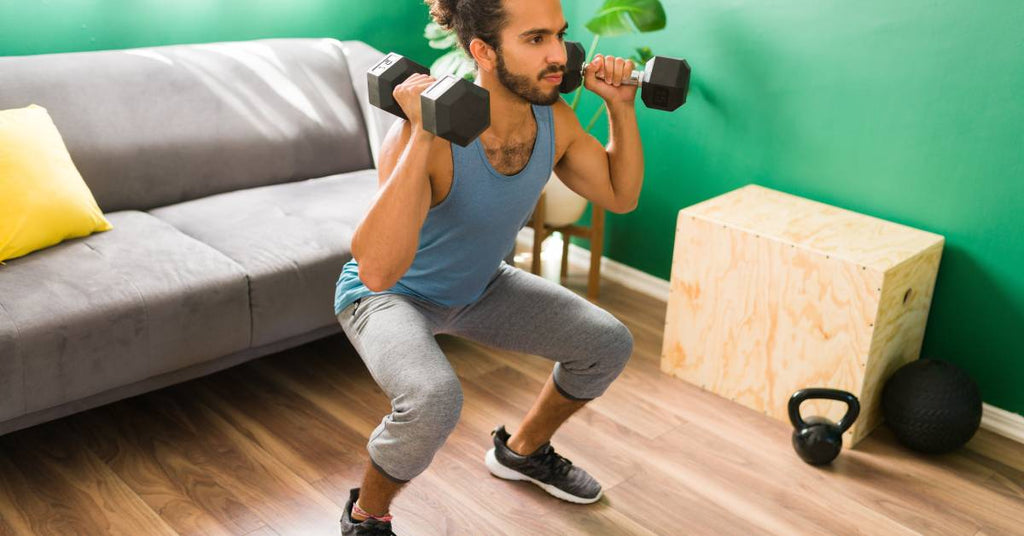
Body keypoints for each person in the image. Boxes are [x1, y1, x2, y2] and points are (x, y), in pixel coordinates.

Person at [336, 0, 644, 533]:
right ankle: (366, 516)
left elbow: (619, 194)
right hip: (390, 296)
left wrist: (620, 106)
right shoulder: (416, 136)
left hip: (480, 286)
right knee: (433, 398)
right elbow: (379, 271)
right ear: (483, 51)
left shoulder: (555, 119)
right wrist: (424, 130)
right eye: (534, 40)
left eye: (558, 36)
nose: (558, 56)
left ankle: (522, 452)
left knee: (607, 343)